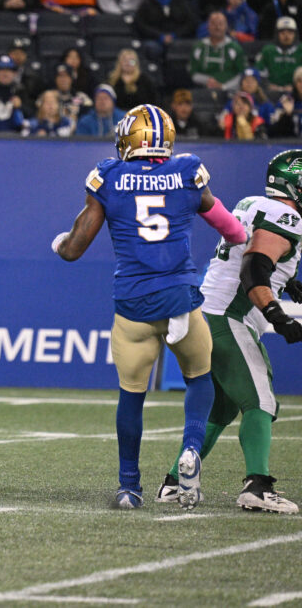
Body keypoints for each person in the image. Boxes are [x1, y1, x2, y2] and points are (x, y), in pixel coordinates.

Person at [52, 104, 248, 509]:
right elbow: (234, 230)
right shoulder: (189, 172)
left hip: (134, 306)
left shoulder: (108, 176)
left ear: (130, 138)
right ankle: (190, 449)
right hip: (181, 298)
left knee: (132, 395)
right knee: (199, 378)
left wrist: (59, 243)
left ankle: (129, 487)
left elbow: (74, 248)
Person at [153, 150, 302, 514]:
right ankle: (257, 485)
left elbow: (251, 257)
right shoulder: (288, 216)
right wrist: (277, 314)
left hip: (205, 314)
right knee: (261, 400)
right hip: (227, 318)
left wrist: (288, 283)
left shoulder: (253, 203)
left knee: (222, 408)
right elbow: (254, 267)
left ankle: (174, 483)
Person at [190, 12, 247, 92]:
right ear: (208, 26)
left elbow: (242, 74)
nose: (217, 27)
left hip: (230, 92)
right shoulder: (198, 47)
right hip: (203, 91)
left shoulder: (235, 48)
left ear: (226, 26)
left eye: (220, 24)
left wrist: (224, 86)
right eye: (213, 24)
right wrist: (208, 80)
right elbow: (193, 73)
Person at [256, 17, 302, 96]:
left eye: (290, 32)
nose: (286, 36)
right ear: (277, 34)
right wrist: (267, 85)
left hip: (297, 92)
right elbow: (259, 72)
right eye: (282, 33)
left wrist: (295, 87)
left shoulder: (300, 49)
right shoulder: (268, 50)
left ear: (295, 34)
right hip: (271, 92)